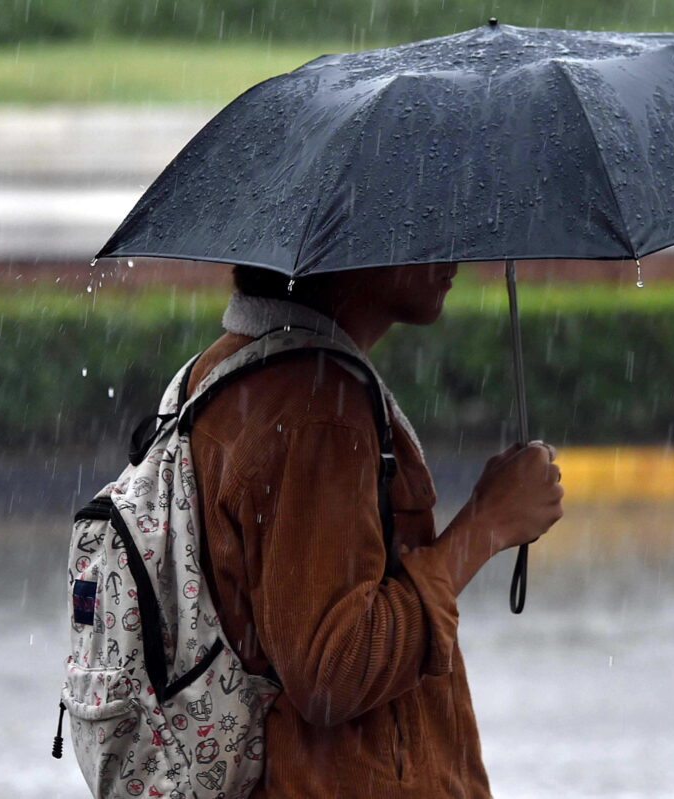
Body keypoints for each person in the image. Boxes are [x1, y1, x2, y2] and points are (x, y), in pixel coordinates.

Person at [183, 261, 564, 797]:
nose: (451, 251)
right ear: (350, 256)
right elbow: (334, 671)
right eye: (421, 220)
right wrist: (486, 526)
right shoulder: (317, 408)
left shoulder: (227, 366)